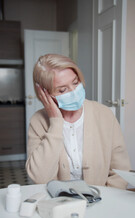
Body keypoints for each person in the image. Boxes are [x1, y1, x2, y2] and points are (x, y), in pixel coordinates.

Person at [26, 54, 131, 189]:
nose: (74, 91)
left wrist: (105, 199)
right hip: (59, 202)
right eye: (62, 89)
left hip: (103, 200)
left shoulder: (105, 114)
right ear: (45, 94)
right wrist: (55, 122)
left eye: (75, 83)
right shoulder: (38, 121)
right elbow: (40, 177)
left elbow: (120, 170)